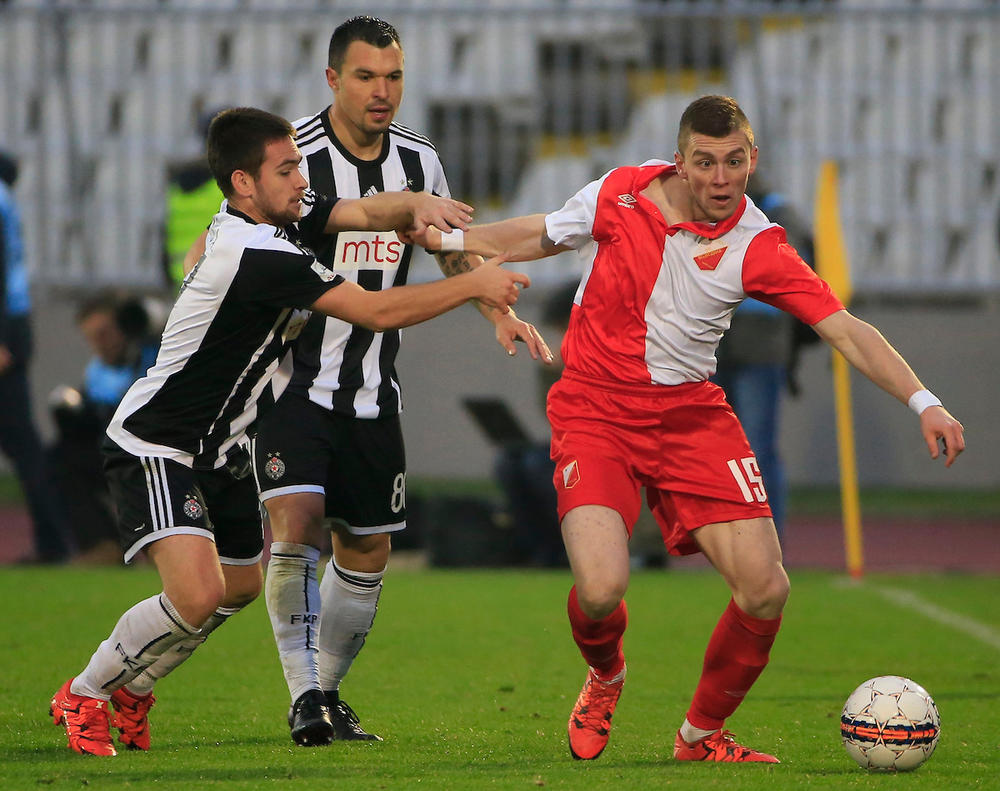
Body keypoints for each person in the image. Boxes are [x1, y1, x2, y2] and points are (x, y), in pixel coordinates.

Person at [410, 95, 966, 763]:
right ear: (682, 160)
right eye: (705, 162)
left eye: (734, 161)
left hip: (690, 416)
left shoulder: (759, 244)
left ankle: (700, 736)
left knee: (766, 587)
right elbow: (544, 232)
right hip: (595, 408)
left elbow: (843, 327)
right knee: (600, 588)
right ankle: (606, 674)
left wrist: (923, 399)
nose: (720, 178)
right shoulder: (624, 191)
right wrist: (449, 239)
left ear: (752, 160)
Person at [48, 106, 531, 757]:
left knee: (241, 585)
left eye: (300, 163)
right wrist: (475, 280)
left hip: (219, 451)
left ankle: (135, 690)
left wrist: (414, 201)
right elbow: (378, 310)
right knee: (196, 593)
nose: (302, 178)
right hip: (159, 442)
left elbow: (357, 213)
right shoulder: (258, 253)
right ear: (244, 183)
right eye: (287, 168)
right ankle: (87, 691)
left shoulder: (275, 217)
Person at [248, 16, 552, 747]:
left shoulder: (419, 160)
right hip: (289, 382)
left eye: (393, 77)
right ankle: (303, 699)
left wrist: (493, 313)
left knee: (368, 551)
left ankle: (325, 690)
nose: (382, 92)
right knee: (295, 525)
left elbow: (449, 251)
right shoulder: (294, 161)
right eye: (365, 77)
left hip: (372, 392)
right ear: (332, 80)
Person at [710, 176, 820, 542]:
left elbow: (790, 276)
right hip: (715, 347)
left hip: (759, 348)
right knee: (722, 451)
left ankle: (768, 542)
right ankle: (732, 541)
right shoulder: (716, 210)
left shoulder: (776, 210)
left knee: (757, 449)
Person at [47, 292, 161, 563]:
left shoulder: (155, 356)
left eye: (105, 333)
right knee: (61, 458)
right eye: (92, 337)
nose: (101, 343)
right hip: (115, 453)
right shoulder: (97, 372)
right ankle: (103, 545)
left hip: (154, 451)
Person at [0, 148, 74, 564]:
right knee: (24, 445)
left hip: (6, 336)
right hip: (13, 331)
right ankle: (55, 542)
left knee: (25, 447)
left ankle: (55, 542)